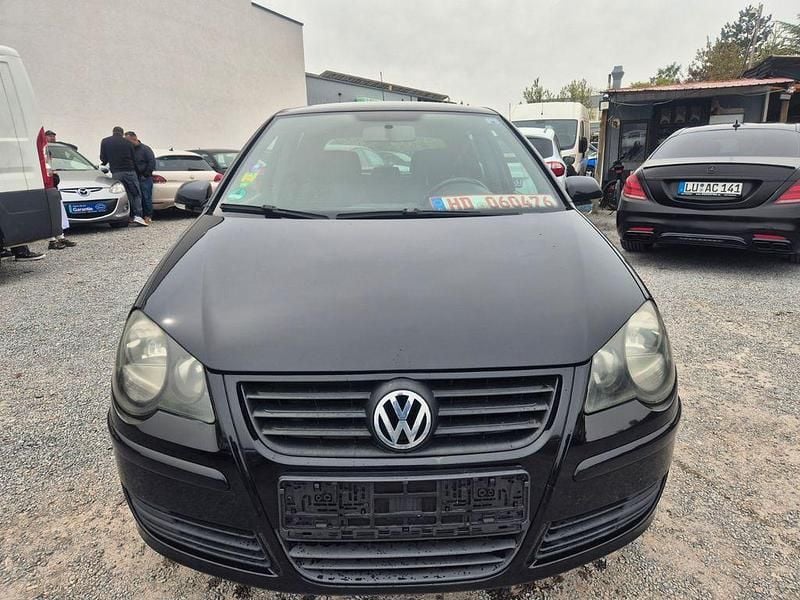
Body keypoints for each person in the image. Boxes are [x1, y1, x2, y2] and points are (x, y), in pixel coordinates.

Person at [100, 126, 147, 227]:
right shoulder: (128, 143)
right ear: (122, 133)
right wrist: (138, 172)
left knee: (121, 194)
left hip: (116, 172)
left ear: (113, 132)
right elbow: (133, 158)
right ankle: (138, 216)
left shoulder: (105, 141)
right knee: (135, 194)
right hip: (129, 171)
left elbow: (103, 158)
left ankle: (123, 217)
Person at [44, 129, 77, 250]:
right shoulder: (45, 168)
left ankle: (60, 236)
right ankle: (52, 240)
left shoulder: (50, 165)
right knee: (51, 215)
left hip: (54, 191)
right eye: (50, 136)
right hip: (48, 192)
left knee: (59, 213)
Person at [125, 131, 156, 224]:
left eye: (127, 140)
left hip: (145, 177)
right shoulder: (129, 150)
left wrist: (146, 174)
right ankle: (137, 216)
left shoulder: (145, 149)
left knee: (146, 197)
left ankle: (148, 216)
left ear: (134, 138)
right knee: (136, 197)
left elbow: (151, 162)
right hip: (134, 177)